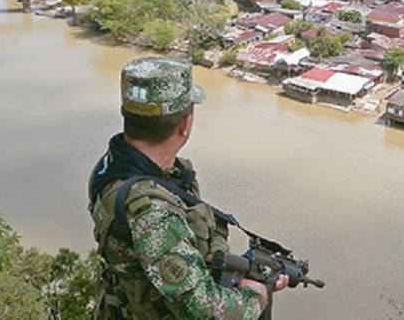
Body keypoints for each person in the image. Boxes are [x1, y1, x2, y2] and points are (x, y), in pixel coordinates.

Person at [88, 57, 287, 319]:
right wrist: (255, 293)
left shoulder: (114, 164)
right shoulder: (153, 211)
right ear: (185, 124)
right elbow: (204, 312)